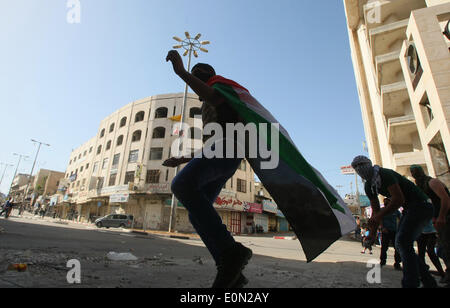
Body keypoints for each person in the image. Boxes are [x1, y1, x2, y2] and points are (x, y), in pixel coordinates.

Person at [165, 50, 252, 288]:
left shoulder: (219, 88)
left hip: (228, 150)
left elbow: (213, 97)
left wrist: (181, 71)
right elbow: (210, 146)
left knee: (181, 185)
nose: (196, 80)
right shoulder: (208, 105)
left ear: (207, 77)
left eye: (198, 76)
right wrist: (181, 159)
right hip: (223, 155)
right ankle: (230, 269)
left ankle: (232, 253)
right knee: (195, 212)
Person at [352, 156, 437, 288]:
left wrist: (379, 214)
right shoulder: (369, 186)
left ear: (369, 164)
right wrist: (372, 234)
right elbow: (375, 212)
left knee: (402, 242)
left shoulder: (384, 174)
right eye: (355, 167)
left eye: (361, 164)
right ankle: (428, 281)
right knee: (403, 244)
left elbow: (398, 199)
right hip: (409, 209)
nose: (359, 169)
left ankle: (410, 283)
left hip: (421, 205)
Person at [410, 165, 450, 284]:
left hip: (446, 218)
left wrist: (442, 216)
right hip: (436, 221)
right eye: (412, 172)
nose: (413, 174)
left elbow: (445, 199)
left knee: (444, 249)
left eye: (415, 171)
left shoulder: (432, 182)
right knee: (442, 249)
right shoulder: (420, 186)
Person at [379, 198, 402, 270]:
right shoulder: (382, 210)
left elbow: (401, 218)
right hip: (385, 231)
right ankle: (382, 261)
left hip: (394, 231)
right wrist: (382, 228)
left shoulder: (395, 210)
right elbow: (379, 219)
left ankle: (397, 263)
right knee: (384, 247)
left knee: (397, 247)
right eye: (385, 201)